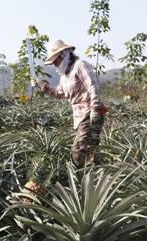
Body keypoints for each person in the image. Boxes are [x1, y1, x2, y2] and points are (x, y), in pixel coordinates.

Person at [33, 39, 107, 167]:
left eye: (55, 61)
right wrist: (43, 86)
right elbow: (59, 93)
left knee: (79, 150)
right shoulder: (64, 76)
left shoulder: (80, 65)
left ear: (63, 55)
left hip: (89, 112)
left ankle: (86, 178)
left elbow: (93, 85)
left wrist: (95, 109)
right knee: (89, 150)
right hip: (79, 116)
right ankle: (97, 174)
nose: (55, 65)